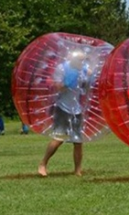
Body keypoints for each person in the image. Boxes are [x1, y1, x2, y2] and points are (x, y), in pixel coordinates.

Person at [38, 49, 90, 177]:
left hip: (76, 109)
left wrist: (89, 77)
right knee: (58, 138)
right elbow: (57, 86)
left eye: (84, 60)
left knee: (78, 141)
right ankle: (43, 163)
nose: (82, 63)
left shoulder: (83, 70)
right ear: (73, 59)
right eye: (80, 60)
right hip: (63, 107)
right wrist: (67, 82)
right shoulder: (62, 68)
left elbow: (87, 85)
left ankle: (77, 170)